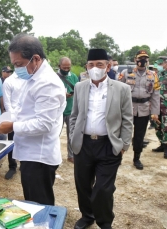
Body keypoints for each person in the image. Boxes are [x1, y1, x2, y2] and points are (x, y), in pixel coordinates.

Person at [0, 33, 66, 205]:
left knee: (40, 204)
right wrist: (3, 121)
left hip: (38, 157)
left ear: (36, 59)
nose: (17, 69)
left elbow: (43, 124)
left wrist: (11, 126)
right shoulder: (34, 77)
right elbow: (23, 110)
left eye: (19, 64)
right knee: (33, 201)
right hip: (31, 154)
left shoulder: (47, 83)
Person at [70, 48, 133, 229]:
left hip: (108, 145)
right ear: (86, 67)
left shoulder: (122, 88)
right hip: (84, 144)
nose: (95, 68)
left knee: (103, 189)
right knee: (83, 185)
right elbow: (74, 115)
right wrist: (74, 137)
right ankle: (87, 216)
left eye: (99, 64)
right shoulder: (80, 86)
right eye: (91, 65)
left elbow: (128, 119)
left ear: (108, 66)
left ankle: (105, 222)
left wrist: (123, 145)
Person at [118, 50, 160, 170]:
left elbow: (155, 95)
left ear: (148, 61)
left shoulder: (153, 75)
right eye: (140, 59)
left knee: (139, 136)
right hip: (127, 108)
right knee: (123, 133)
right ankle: (118, 157)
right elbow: (117, 89)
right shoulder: (126, 72)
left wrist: (155, 113)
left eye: (145, 59)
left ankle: (136, 158)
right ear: (135, 60)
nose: (143, 61)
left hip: (144, 109)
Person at [2, 70, 26, 180]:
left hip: (26, 117)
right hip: (13, 117)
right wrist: (13, 121)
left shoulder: (29, 79)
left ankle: (24, 164)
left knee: (25, 142)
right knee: (12, 142)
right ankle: (12, 167)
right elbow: (7, 103)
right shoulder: (9, 81)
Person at [57, 57, 79, 163]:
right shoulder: (54, 77)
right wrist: (62, 95)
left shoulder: (74, 77)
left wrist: (73, 94)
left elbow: (78, 90)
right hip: (58, 112)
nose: (66, 70)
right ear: (59, 66)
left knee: (72, 135)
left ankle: (71, 155)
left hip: (71, 110)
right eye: (64, 68)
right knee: (55, 135)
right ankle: (55, 155)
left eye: (68, 68)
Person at [152, 56, 167, 158]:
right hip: (157, 106)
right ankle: (162, 144)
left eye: (160, 64)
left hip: (166, 107)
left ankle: (166, 148)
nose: (158, 66)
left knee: (165, 127)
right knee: (157, 126)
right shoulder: (157, 75)